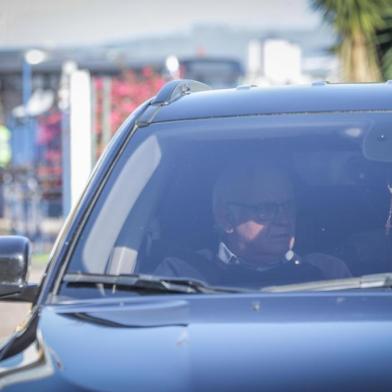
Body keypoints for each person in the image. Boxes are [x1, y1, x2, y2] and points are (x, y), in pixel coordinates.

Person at [155, 158, 351, 288]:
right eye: (266, 209)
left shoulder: (326, 274)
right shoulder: (182, 277)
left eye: (288, 206)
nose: (284, 219)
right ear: (226, 218)